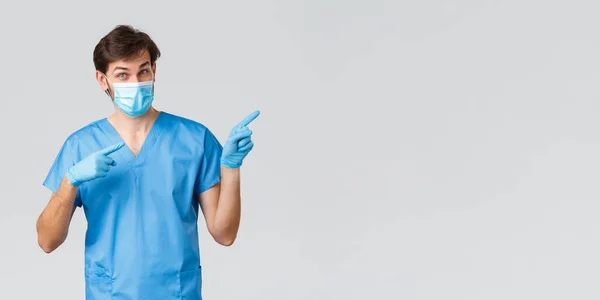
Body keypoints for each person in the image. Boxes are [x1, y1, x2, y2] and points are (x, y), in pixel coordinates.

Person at [35, 24, 259, 299]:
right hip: (111, 292)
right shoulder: (81, 145)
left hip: (177, 292)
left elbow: (224, 235)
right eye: (122, 75)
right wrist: (70, 182)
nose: (135, 83)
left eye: (143, 71)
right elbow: (47, 241)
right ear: (102, 80)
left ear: (154, 71)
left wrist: (231, 168)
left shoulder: (193, 139)